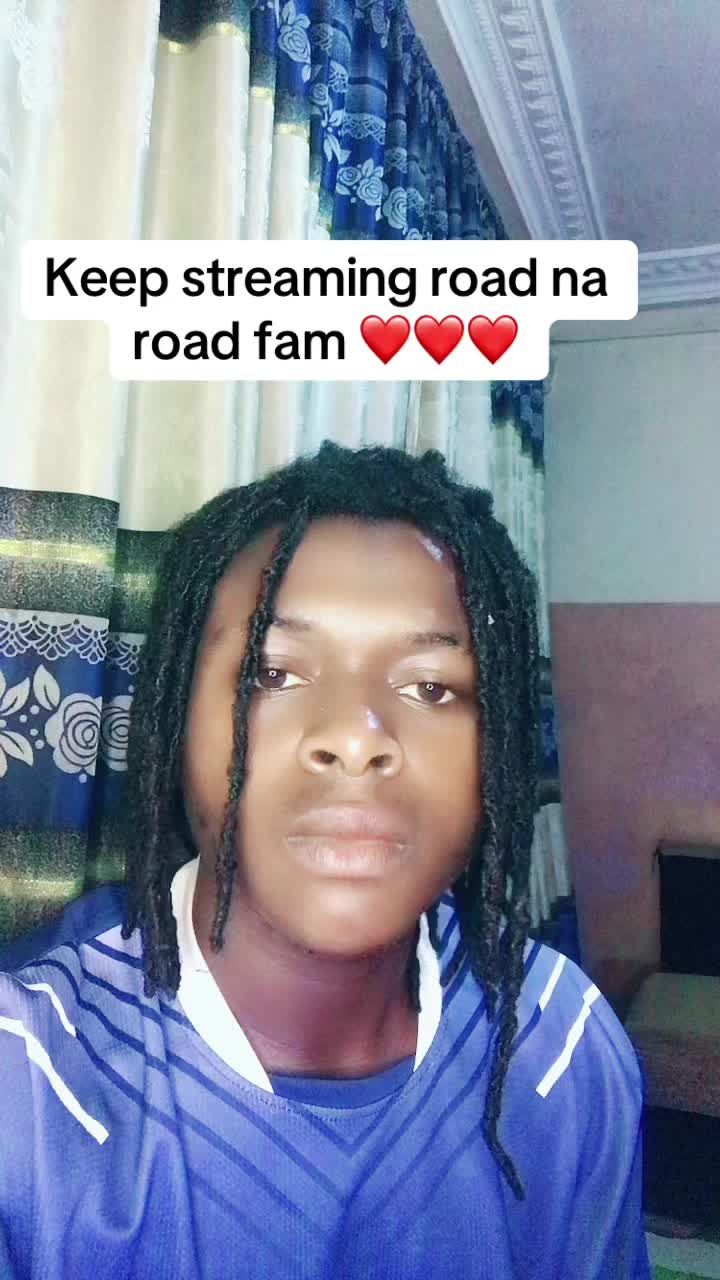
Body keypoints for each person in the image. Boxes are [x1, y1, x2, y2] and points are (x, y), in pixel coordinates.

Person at [0, 443, 650, 1279]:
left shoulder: (559, 1046)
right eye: (272, 673)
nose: (355, 737)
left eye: (431, 687)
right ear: (172, 719)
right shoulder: (27, 1080)